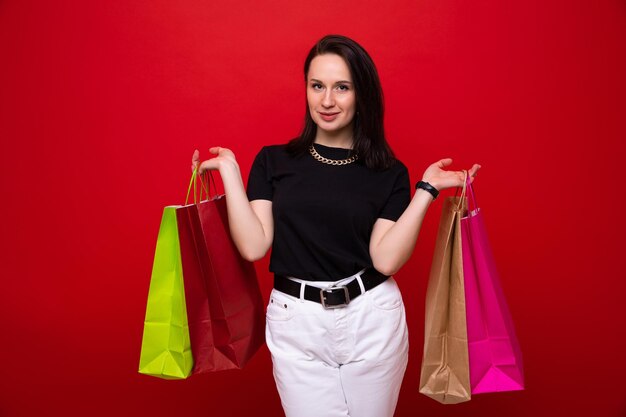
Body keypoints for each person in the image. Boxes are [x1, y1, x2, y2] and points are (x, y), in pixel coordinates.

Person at [191, 34, 480, 417]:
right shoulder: (274, 162)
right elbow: (254, 246)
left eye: (342, 87)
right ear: (307, 90)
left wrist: (424, 190)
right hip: (297, 321)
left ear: (362, 95)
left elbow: (386, 259)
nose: (327, 101)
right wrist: (230, 171)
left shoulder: (388, 172)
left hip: (371, 318)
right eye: (317, 86)